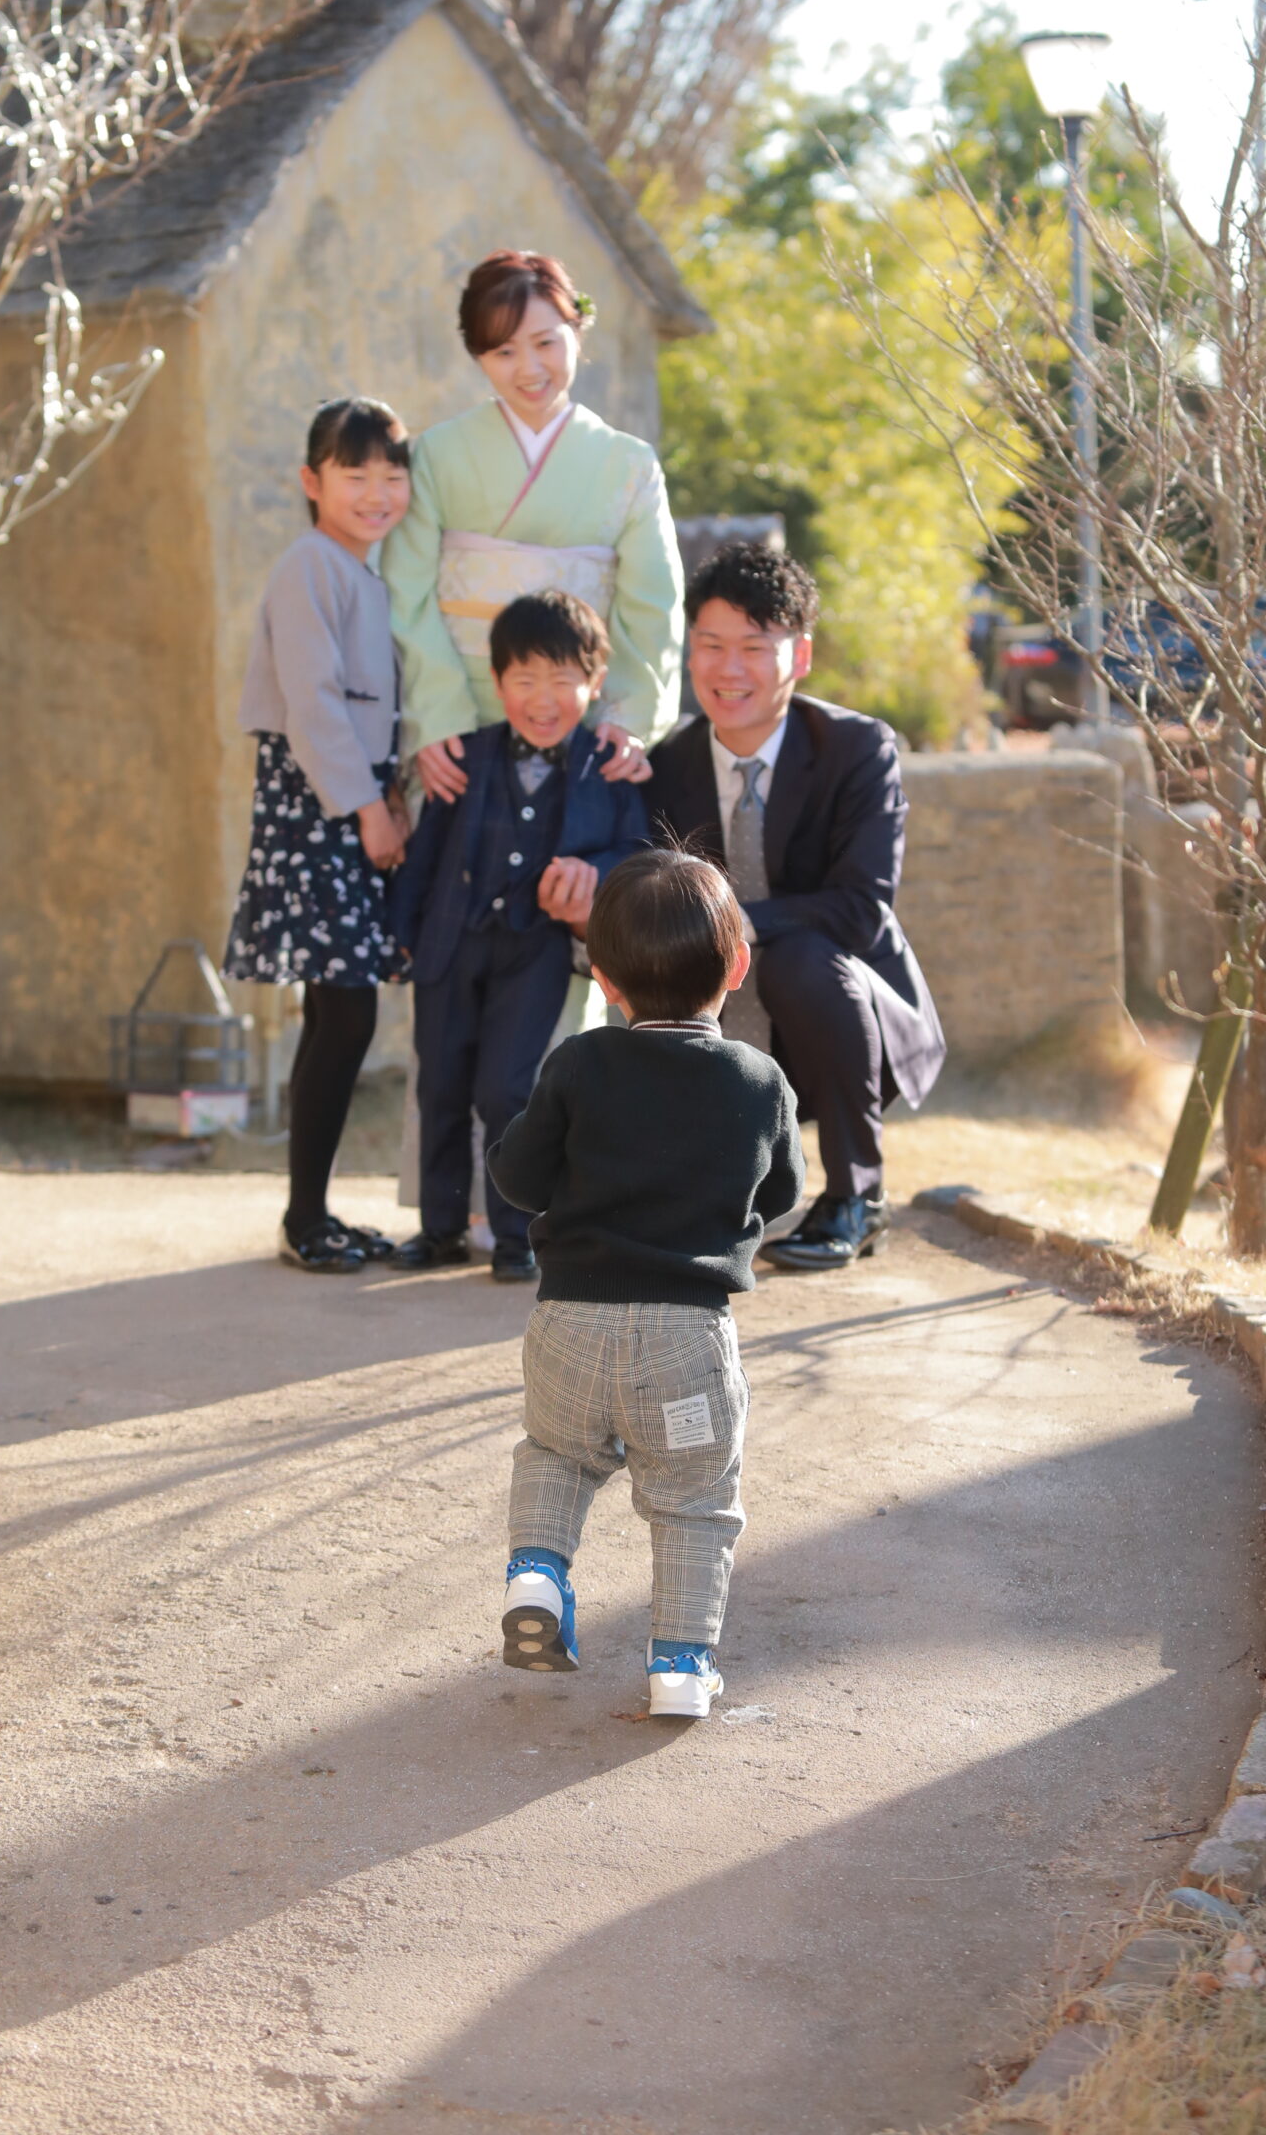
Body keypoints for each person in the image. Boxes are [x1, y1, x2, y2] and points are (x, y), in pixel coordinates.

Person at [488, 848, 803, 1718]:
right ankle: (680, 1667)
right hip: (685, 1342)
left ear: (603, 977)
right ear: (736, 966)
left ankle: (537, 1575)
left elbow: (518, 1178)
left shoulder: (577, 1064)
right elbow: (781, 1194)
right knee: (694, 1502)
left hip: (569, 1327)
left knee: (558, 1455)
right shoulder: (758, 1080)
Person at [646, 542, 946, 1273]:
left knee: (799, 956)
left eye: (754, 647)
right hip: (722, 1012)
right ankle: (692, 1180)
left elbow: (861, 908)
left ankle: (855, 1198)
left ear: (799, 656)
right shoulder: (664, 765)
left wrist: (738, 924)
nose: (729, 669)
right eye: (711, 645)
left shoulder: (855, 749)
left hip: (840, 1017)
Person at [389, 590, 649, 1282]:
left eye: (562, 680)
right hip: (449, 945)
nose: (543, 699)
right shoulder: (464, 756)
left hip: (535, 951)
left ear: (594, 683)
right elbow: (424, 853)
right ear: (498, 682)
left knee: (506, 1090)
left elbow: (634, 852)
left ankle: (514, 1234)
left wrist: (592, 873)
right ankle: (440, 1229)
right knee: (441, 1087)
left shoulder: (606, 767)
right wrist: (401, 936)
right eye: (525, 679)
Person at [382, 248, 684, 804]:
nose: (529, 368)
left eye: (546, 343)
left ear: (577, 331)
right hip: (462, 726)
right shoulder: (437, 455)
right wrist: (437, 716)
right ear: (478, 355)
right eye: (504, 351)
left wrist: (629, 715)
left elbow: (652, 603)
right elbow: (408, 595)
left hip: (584, 719)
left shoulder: (628, 464)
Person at [224, 397, 413, 1276]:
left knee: (341, 1011)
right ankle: (305, 1218)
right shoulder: (310, 564)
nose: (376, 492)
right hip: (318, 802)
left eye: (391, 475)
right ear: (312, 481)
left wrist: (390, 793)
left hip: (353, 798)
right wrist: (367, 808)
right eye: (354, 473)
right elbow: (313, 702)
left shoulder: (365, 572)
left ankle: (314, 1212)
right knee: (343, 1010)